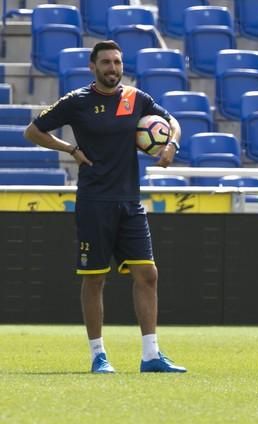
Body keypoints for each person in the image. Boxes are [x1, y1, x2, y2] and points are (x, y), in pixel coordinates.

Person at [24, 40, 186, 374]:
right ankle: (98, 355)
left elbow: (172, 122)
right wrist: (70, 148)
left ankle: (151, 355)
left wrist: (171, 144)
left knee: (148, 274)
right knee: (95, 279)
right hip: (94, 203)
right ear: (92, 67)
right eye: (106, 63)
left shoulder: (135, 98)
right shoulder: (77, 101)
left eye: (117, 62)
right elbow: (33, 131)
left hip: (130, 202)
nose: (113, 68)